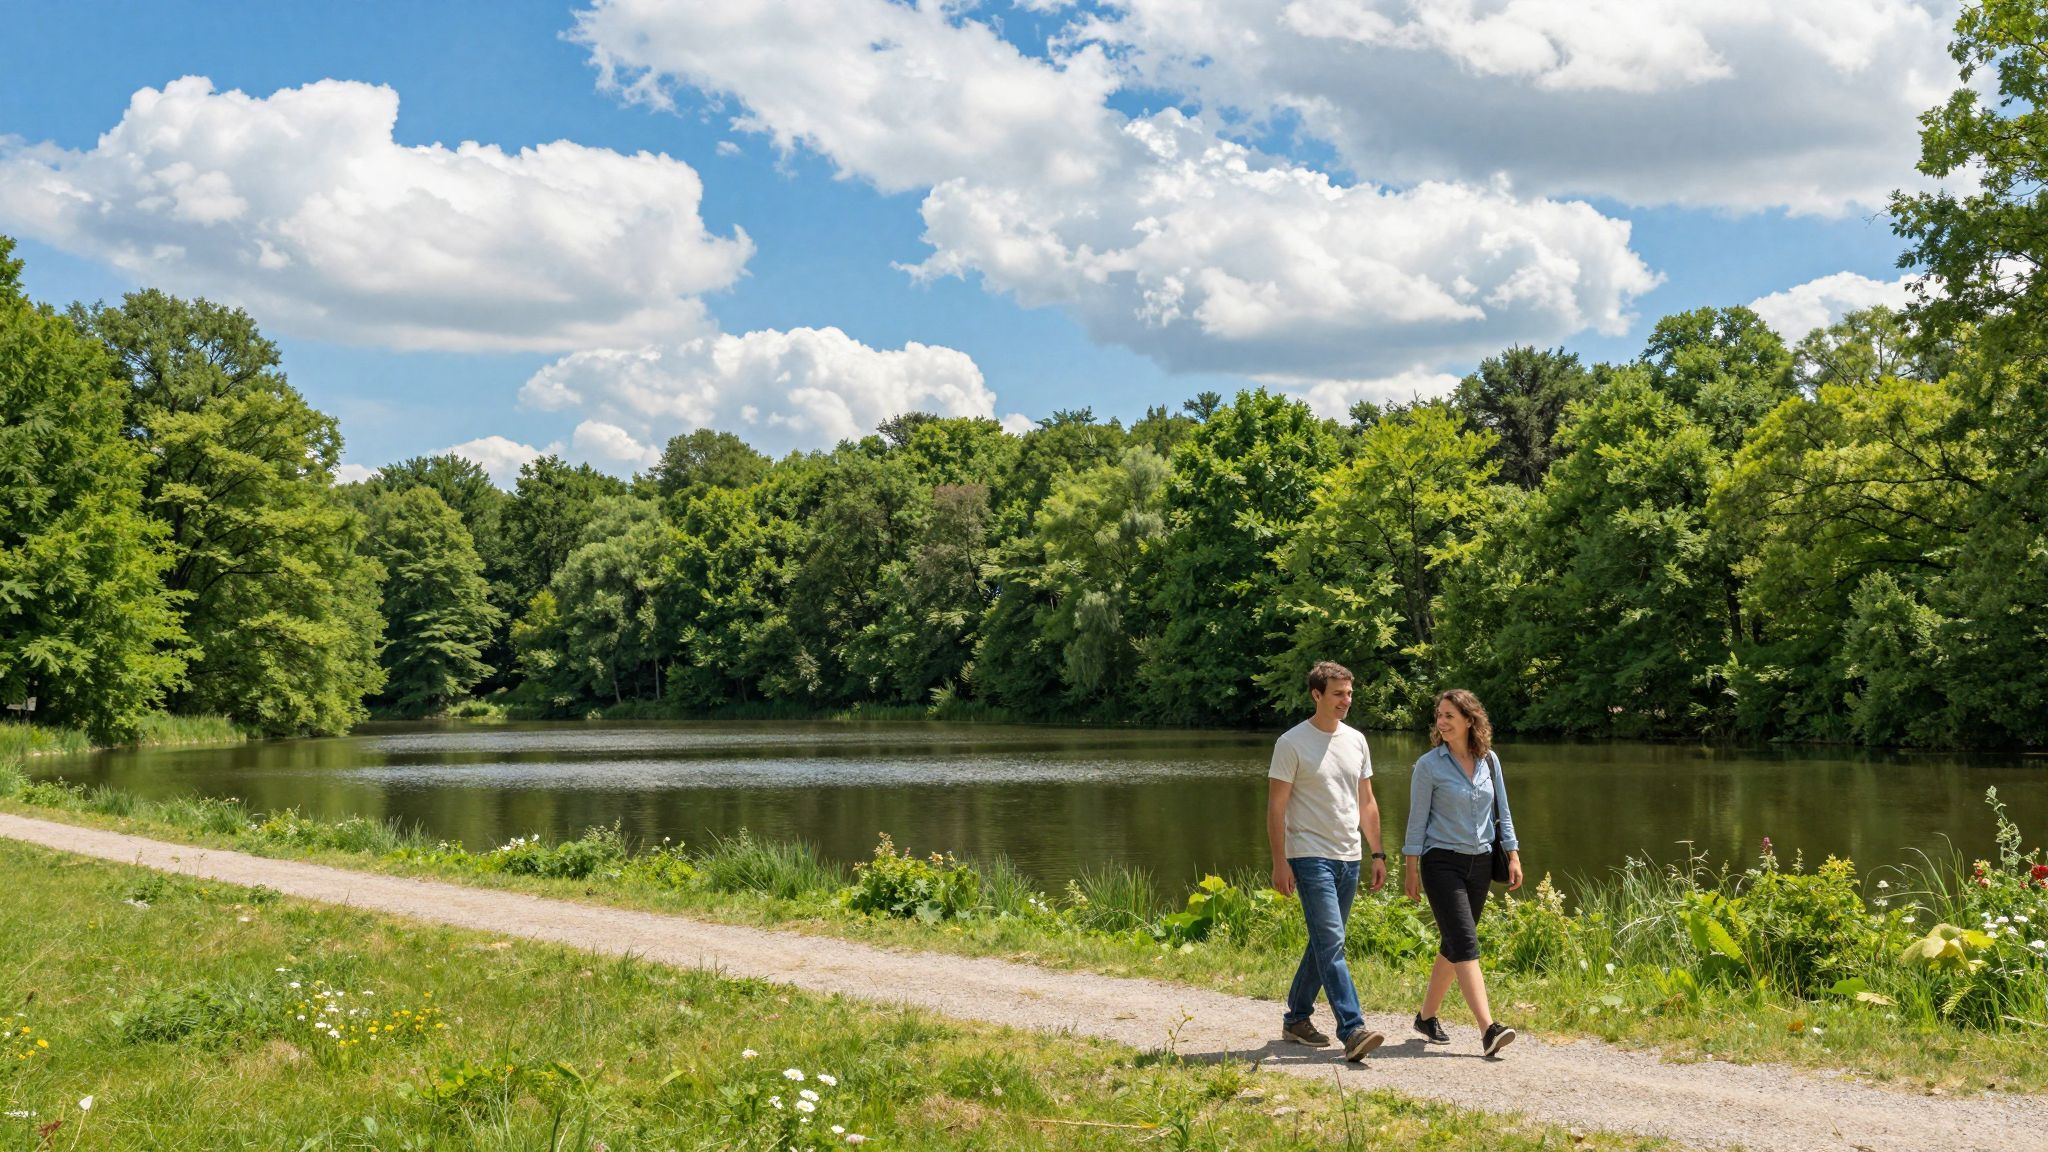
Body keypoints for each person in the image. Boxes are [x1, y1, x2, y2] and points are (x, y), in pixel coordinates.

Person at [1268, 660, 1388, 1060]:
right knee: (1333, 942)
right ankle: (1352, 1029)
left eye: (1350, 693)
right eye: (1338, 694)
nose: (1346, 701)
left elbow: (1366, 802)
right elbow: (1276, 809)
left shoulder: (1356, 740)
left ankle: (1296, 1018)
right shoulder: (1291, 743)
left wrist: (1377, 852)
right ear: (1316, 695)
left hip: (1349, 856)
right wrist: (1280, 861)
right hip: (1308, 855)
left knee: (1324, 942)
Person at [1403, 688, 1522, 1057]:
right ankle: (1488, 1029)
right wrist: (1411, 869)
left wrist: (1513, 854)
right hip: (1441, 862)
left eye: (1449, 716)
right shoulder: (1429, 765)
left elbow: (1503, 809)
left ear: (1470, 720)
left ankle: (1426, 1017)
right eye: (1439, 716)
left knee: (1454, 943)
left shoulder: (1489, 760)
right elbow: (1416, 821)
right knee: (1466, 943)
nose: (1441, 722)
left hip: (1482, 862)